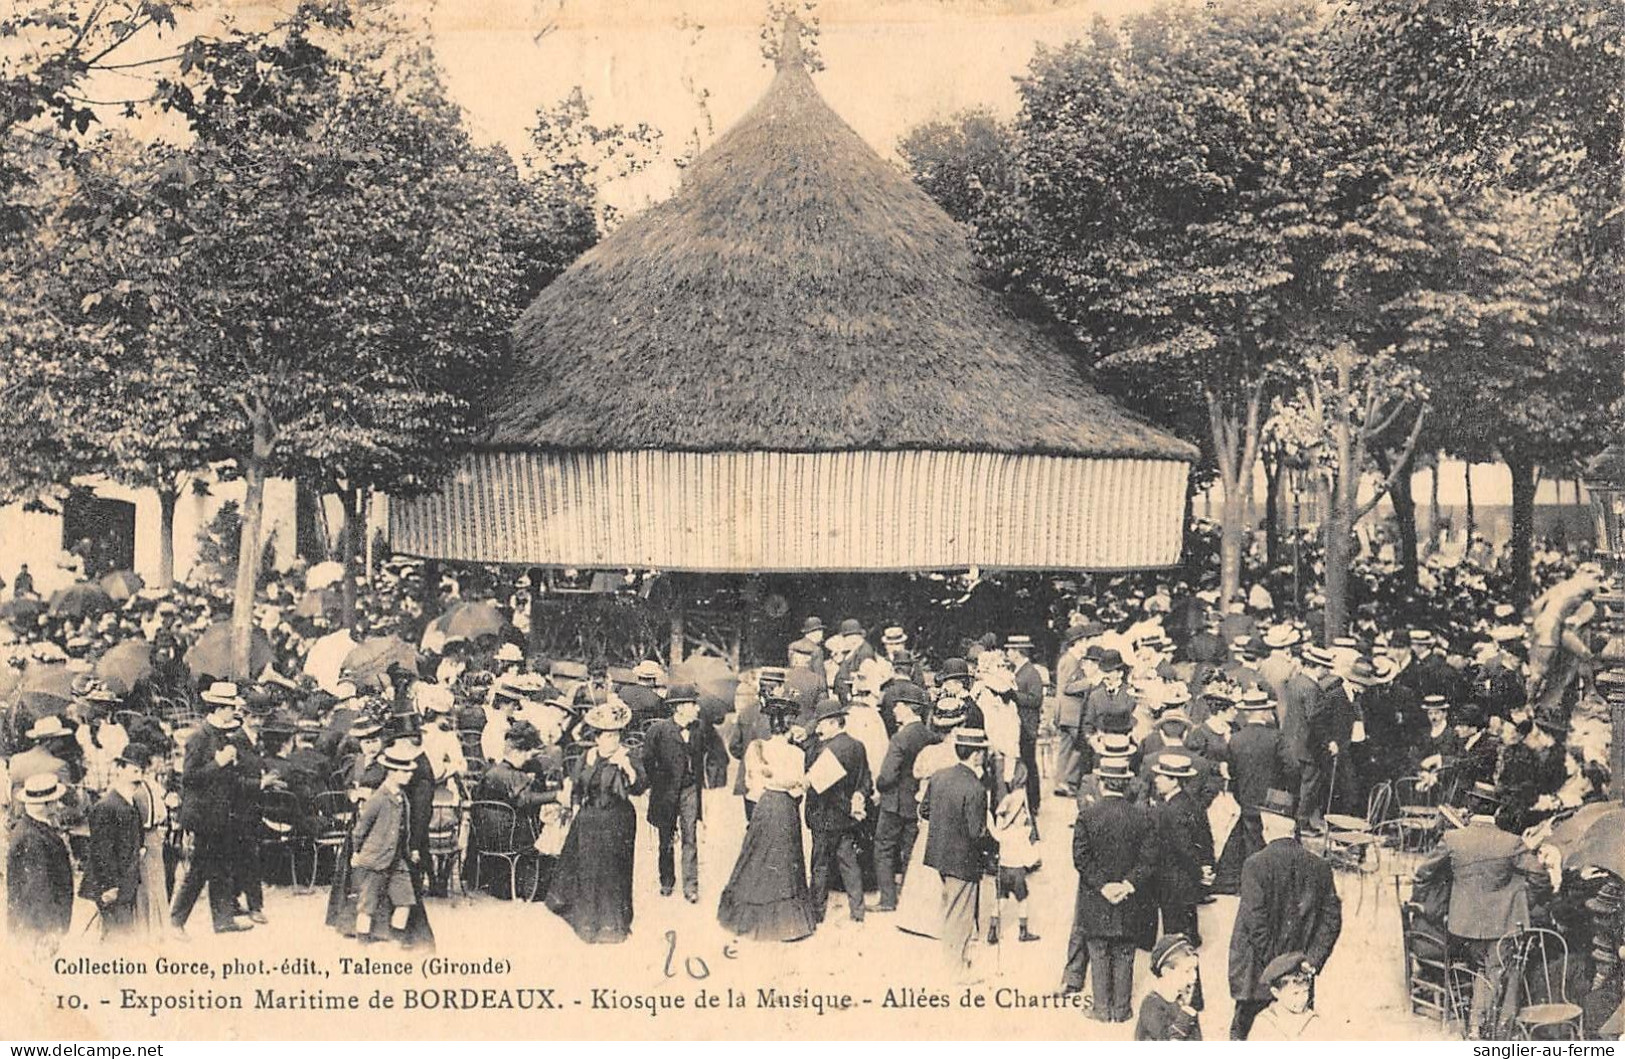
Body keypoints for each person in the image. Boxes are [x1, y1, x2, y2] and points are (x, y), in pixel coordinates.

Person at [1410, 782, 1559, 1038]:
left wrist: (1430, 905)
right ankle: (1486, 1026)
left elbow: (1423, 874)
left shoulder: (1453, 839)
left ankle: (1478, 1022)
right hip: (1501, 927)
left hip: (1460, 928)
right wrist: (1520, 898)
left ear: (1471, 806)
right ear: (1497, 809)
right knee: (1500, 967)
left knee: (1485, 967)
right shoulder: (1512, 843)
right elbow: (1541, 878)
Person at [1227, 788, 1342, 1039]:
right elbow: (1332, 920)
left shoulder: (1255, 865)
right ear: (1294, 830)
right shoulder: (1320, 867)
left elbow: (1256, 925)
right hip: (1301, 972)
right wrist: (1310, 961)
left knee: (1247, 1033)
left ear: (1267, 828)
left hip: (1257, 974)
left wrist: (1277, 969)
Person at [545, 699, 646, 943]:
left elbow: (640, 787)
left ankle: (612, 925)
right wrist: (569, 810)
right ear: (598, 737)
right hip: (589, 820)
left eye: (616, 736)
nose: (612, 741)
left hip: (617, 820)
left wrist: (628, 770)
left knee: (613, 872)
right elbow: (576, 787)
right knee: (588, 870)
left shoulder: (627, 756)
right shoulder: (587, 756)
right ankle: (588, 922)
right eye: (607, 736)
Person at [717, 695, 815, 942]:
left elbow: (752, 784)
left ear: (770, 723)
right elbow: (796, 789)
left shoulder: (757, 748)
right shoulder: (796, 754)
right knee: (786, 859)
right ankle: (788, 923)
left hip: (764, 805)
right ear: (791, 725)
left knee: (757, 855)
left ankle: (748, 912)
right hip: (785, 808)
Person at [1070, 758, 1158, 1022]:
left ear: (1101, 781)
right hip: (1131, 898)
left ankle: (1101, 1008)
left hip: (1096, 898)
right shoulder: (1142, 817)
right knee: (1125, 950)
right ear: (1128, 783)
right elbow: (1149, 860)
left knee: (1098, 950)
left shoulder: (1087, 815)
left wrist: (1103, 885)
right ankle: (1122, 1010)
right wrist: (1127, 884)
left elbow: (1080, 858)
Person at [171, 683, 254, 935]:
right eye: (231, 707)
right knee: (200, 869)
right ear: (220, 708)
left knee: (221, 866)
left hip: (220, 814)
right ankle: (176, 921)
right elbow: (189, 778)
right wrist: (219, 762)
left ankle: (223, 919)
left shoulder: (221, 735)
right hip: (203, 816)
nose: (234, 711)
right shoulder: (199, 737)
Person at [920, 727, 992, 975]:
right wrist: (995, 845)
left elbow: (925, 811)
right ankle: (957, 970)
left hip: (939, 854)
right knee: (960, 915)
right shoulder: (976, 788)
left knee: (950, 907)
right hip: (963, 860)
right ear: (976, 756)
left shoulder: (939, 776)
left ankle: (955, 961)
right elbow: (977, 833)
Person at [803, 698, 872, 925]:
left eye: (821, 723)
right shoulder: (858, 745)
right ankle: (858, 911)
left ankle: (817, 913)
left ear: (833, 723)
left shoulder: (825, 750)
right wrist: (857, 802)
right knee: (849, 864)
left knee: (820, 865)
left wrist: (844, 808)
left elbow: (820, 788)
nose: (818, 728)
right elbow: (865, 780)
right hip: (847, 820)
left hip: (824, 818)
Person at [643, 684, 710, 903]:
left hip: (690, 789)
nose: (697, 709)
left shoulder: (699, 730)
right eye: (693, 704)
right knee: (666, 837)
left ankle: (691, 886)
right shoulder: (658, 731)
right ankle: (666, 880)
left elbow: (703, 759)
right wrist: (658, 784)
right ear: (680, 708)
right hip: (666, 792)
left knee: (690, 836)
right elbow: (647, 761)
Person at [871, 684, 935, 913]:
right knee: (910, 850)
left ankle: (888, 899)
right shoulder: (930, 736)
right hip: (917, 802)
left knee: (884, 848)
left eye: (898, 706)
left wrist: (878, 785)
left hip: (893, 802)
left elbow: (887, 776)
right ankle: (909, 899)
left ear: (909, 709)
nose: (895, 710)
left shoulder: (900, 738)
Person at [348, 745, 421, 945]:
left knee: (405, 902)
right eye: (405, 771)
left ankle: (396, 944)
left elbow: (403, 828)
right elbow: (360, 830)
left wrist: (409, 850)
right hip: (375, 860)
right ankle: (361, 944)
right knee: (367, 906)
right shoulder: (378, 798)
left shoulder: (403, 797)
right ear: (392, 772)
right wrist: (356, 853)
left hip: (397, 860)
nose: (409, 775)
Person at [1213, 690, 1280, 893]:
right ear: (1261, 712)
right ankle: (1261, 886)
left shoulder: (1236, 739)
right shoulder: (1275, 737)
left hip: (1246, 797)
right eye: (1268, 709)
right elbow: (1292, 766)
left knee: (1249, 838)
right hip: (1272, 799)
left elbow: (1231, 770)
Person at [82, 744, 149, 939]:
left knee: (120, 934)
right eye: (135, 770)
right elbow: (101, 851)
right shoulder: (106, 806)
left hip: (126, 882)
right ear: (120, 769)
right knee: (119, 936)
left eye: (142, 771)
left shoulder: (131, 801)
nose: (139, 776)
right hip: (111, 886)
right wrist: (109, 886)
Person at [1150, 753, 1213, 946]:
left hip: (1174, 881)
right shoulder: (1192, 803)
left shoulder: (1171, 809)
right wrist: (1206, 868)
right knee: (1188, 929)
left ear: (1175, 780)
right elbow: (1206, 839)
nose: (1156, 780)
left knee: (1176, 938)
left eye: (1161, 776)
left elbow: (1183, 847)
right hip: (1187, 882)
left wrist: (1198, 871)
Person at [6, 774, 74, 951]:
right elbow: (38, 890)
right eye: (54, 801)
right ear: (47, 804)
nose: (58, 805)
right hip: (38, 931)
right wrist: (50, 931)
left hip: (35, 926)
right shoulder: (32, 838)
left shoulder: (32, 827)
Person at [987, 760, 1040, 946]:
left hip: (1003, 868)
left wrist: (989, 821)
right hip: (1017, 871)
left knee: (1000, 900)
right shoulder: (1021, 834)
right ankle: (1023, 931)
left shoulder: (1004, 832)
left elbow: (995, 834)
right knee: (1023, 900)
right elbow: (1030, 858)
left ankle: (992, 928)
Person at [1135, 934, 1202, 1040]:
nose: (1194, 976)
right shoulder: (1151, 1006)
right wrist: (1186, 1014)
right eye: (1187, 971)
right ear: (1166, 972)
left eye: (1195, 969)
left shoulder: (1183, 997)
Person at [1246, 952, 1327, 1041]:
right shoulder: (1264, 1022)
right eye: (1295, 993)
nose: (1301, 1000)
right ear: (1276, 992)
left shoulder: (1313, 1021)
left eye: (1305, 992)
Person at [1007, 634, 1045, 814]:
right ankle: (1030, 801)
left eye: (1010, 650)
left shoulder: (1031, 673)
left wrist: (1013, 695)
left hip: (1028, 725)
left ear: (1018, 652)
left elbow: (1036, 699)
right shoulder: (1021, 670)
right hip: (1022, 724)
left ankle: (1033, 801)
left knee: (1029, 762)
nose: (1008, 653)